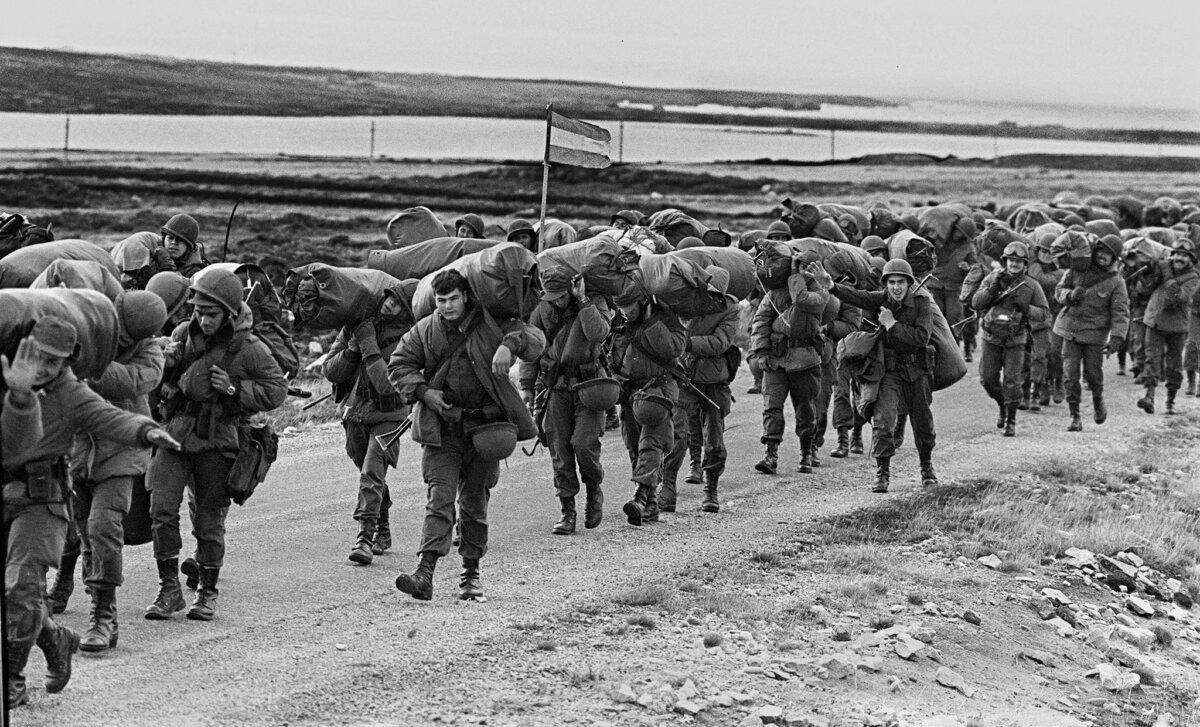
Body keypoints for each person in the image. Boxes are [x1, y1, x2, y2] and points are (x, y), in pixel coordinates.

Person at [2, 318, 180, 706]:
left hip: (41, 498)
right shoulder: (7, 375)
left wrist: (147, 431)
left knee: (21, 585)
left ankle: (12, 678)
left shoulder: (71, 393)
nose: (45, 368)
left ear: (69, 363)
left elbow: (111, 417)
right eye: (40, 358)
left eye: (56, 362)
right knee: (17, 595)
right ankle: (53, 637)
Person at [387, 269, 545, 600]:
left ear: (466, 296)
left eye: (453, 299)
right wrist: (422, 392)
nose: (446, 306)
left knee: (474, 502)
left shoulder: (492, 322)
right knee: (439, 499)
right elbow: (398, 364)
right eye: (441, 300)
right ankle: (424, 574)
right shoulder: (425, 330)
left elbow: (535, 339)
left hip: (485, 429)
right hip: (442, 428)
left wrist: (508, 344)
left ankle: (471, 575)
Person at [145, 269, 288, 622]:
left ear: (228, 313)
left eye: (211, 313)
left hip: (217, 440)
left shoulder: (248, 347)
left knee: (208, 520)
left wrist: (233, 390)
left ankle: (207, 591)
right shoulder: (181, 334)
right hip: (175, 433)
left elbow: (276, 390)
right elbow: (155, 380)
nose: (203, 319)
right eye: (198, 311)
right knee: (161, 509)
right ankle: (168, 589)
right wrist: (167, 364)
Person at [62, 292, 169, 654]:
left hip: (122, 452)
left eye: (127, 339)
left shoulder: (151, 353)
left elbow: (132, 382)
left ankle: (103, 615)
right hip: (77, 451)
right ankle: (97, 602)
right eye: (117, 332)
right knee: (85, 535)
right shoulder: (88, 330)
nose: (119, 341)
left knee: (103, 528)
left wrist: (90, 361)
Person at [811, 259, 938, 493]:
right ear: (886, 284)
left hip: (916, 371)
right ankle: (882, 471)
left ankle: (926, 468)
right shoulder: (881, 299)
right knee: (883, 421)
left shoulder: (921, 303)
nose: (896, 287)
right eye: (892, 282)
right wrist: (832, 287)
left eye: (901, 282)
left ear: (909, 283)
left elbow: (921, 338)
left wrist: (891, 324)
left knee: (922, 422)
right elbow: (858, 296)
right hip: (888, 371)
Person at [321, 280, 418, 564]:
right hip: (355, 413)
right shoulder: (359, 325)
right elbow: (331, 371)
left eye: (399, 302)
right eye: (389, 298)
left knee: (371, 472)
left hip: (390, 415)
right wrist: (353, 347)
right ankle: (383, 526)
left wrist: (369, 346)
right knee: (367, 471)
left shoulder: (411, 338)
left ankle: (364, 536)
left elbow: (387, 385)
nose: (390, 304)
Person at [520, 269, 612, 534]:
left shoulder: (595, 303)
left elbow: (598, 333)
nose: (557, 301)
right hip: (555, 388)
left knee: (584, 445)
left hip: (589, 386)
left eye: (561, 296)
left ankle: (594, 491)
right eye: (552, 297)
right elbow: (530, 349)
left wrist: (583, 301)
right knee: (559, 449)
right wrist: (527, 387)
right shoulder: (542, 310)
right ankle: (567, 509)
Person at [660, 268, 739, 513]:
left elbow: (720, 342)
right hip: (683, 377)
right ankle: (667, 487)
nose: (710, 297)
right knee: (677, 435)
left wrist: (687, 343)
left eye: (715, 293)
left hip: (714, 380)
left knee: (714, 440)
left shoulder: (730, 310)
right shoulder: (685, 303)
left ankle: (711, 489)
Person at [610, 285, 687, 526]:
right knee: (633, 444)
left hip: (659, 387)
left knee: (651, 442)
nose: (626, 311)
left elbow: (674, 349)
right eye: (622, 307)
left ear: (642, 301)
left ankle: (640, 496)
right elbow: (613, 356)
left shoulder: (665, 317)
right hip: (630, 391)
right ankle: (651, 504)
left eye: (630, 306)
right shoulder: (619, 323)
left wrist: (651, 322)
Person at [751, 251, 831, 475]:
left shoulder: (821, 292)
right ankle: (770, 453)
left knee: (806, 410)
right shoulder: (775, 293)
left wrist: (796, 275)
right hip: (776, 360)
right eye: (800, 266)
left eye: (809, 267)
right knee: (772, 407)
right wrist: (762, 351)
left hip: (805, 361)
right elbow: (761, 321)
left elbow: (802, 299)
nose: (805, 270)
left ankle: (807, 451)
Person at [971, 242, 1049, 436]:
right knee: (987, 379)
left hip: (1016, 339)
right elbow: (975, 302)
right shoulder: (993, 278)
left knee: (1012, 381)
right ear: (1005, 261)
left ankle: (1011, 420)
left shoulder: (1032, 285)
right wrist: (992, 289)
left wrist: (1027, 308)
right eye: (1011, 260)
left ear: (1025, 265)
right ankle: (1002, 405)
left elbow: (1044, 313)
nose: (1014, 265)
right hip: (991, 337)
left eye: (1018, 262)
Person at [1052, 233, 1129, 431]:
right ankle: (1075, 416)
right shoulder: (1077, 270)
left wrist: (1117, 338)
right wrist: (1069, 295)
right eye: (1100, 251)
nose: (1103, 256)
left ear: (1114, 258)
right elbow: (1058, 291)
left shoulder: (1116, 282)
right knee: (1070, 375)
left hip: (1095, 335)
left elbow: (1120, 312)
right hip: (1070, 330)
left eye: (1108, 254)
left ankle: (1097, 400)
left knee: (1093, 375)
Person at [1135, 240, 1200, 415]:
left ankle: (1170, 400)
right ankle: (1149, 396)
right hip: (1155, 321)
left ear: (1191, 260)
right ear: (1173, 254)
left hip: (1177, 326)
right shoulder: (1162, 266)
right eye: (1178, 254)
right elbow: (1145, 289)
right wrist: (1149, 270)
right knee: (1151, 359)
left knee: (1174, 365)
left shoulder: (1193, 278)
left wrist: (1168, 276)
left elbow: (1179, 298)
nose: (1180, 258)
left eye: (1185, 256)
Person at [1025, 237, 1066, 408]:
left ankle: (1057, 381)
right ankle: (1040, 387)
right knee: (1035, 353)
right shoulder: (1033, 266)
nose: (1047, 255)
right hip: (1037, 314)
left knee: (1054, 352)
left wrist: (1033, 262)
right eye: (1043, 251)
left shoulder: (1060, 272)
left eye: (1051, 252)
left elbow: (1042, 280)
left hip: (1056, 314)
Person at [161, 213, 207, 278]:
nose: (174, 242)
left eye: (180, 240)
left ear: (189, 247)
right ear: (163, 239)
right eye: (170, 238)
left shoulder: (194, 274)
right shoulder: (153, 261)